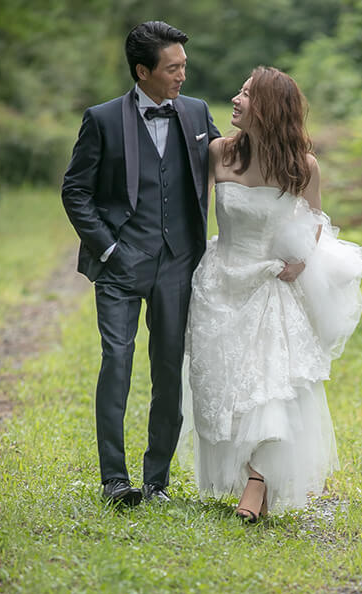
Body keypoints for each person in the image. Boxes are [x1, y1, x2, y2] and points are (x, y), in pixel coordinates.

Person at [180, 66, 362, 521]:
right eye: (239, 90)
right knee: (221, 385)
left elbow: (316, 225)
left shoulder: (303, 167)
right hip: (219, 284)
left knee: (270, 386)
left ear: (268, 108)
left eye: (246, 94)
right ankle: (252, 478)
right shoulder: (219, 152)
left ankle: (258, 481)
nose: (236, 99)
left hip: (271, 287)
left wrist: (302, 259)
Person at [62, 21, 220, 506]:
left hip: (178, 264)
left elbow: (234, 161)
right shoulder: (103, 119)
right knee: (117, 360)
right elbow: (76, 190)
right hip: (120, 265)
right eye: (173, 69)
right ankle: (115, 480)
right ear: (142, 70)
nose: (182, 77)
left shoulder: (196, 113)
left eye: (184, 67)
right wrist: (108, 248)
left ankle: (157, 482)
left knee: (169, 369)